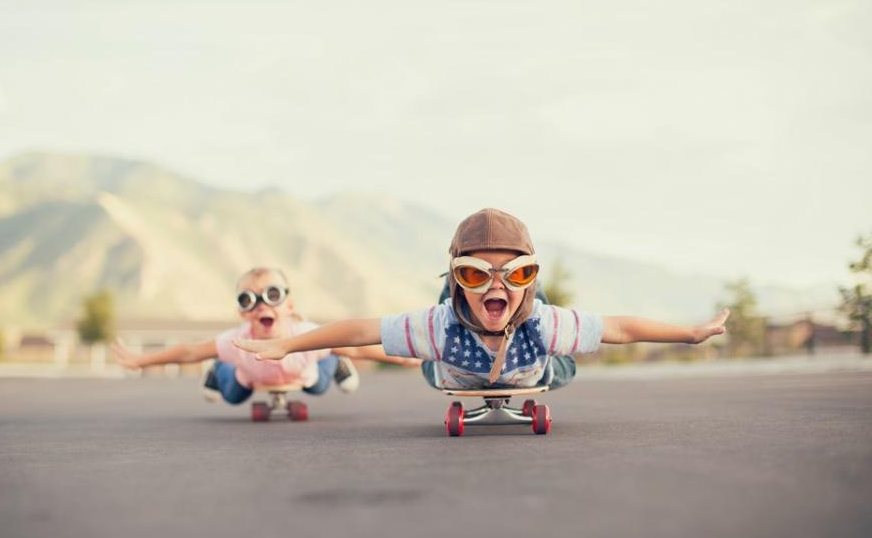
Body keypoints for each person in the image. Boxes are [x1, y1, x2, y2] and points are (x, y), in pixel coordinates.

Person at [233, 209, 730, 391]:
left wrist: (689, 333)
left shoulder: (546, 326)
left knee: (559, 357)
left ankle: (518, 291)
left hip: (533, 365)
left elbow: (620, 328)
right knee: (436, 341)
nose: (496, 284)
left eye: (516, 273)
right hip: (450, 364)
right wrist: (287, 346)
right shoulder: (436, 327)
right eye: (474, 272)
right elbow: (359, 330)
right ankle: (463, 291)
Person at [111, 266, 416, 404]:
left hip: (303, 373)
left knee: (320, 383)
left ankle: (332, 364)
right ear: (242, 312)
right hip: (250, 377)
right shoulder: (237, 342)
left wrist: (403, 357)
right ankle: (218, 372)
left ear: (289, 305)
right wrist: (142, 360)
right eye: (248, 299)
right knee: (232, 395)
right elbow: (190, 352)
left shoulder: (306, 335)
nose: (260, 306)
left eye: (272, 295)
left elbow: (358, 348)